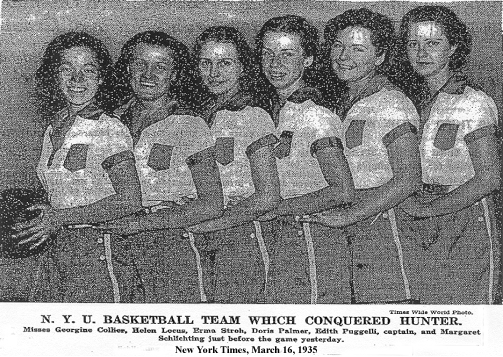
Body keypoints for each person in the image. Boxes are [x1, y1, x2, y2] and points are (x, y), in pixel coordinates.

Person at [12, 32, 143, 303]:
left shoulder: (109, 128)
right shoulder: (52, 129)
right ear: (54, 75)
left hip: (101, 249)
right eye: (67, 70)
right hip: (59, 247)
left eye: (88, 70)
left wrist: (58, 218)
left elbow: (130, 200)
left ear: (102, 78)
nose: (77, 80)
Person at [304, 8, 422, 304]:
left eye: (358, 49)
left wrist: (349, 215)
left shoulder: (391, 103)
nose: (344, 56)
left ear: (379, 56)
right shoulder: (341, 103)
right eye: (338, 46)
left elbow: (409, 180)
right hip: (347, 228)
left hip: (385, 226)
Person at [101, 31, 223, 303]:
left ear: (175, 75)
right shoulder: (107, 122)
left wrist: (139, 224)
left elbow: (212, 204)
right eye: (140, 64)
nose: (148, 74)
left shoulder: (190, 124)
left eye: (160, 67)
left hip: (170, 246)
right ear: (128, 68)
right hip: (114, 246)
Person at [397, 5, 500, 304]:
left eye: (433, 43)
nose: (421, 53)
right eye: (413, 44)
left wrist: (428, 209)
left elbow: (490, 178)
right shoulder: (409, 103)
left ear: (453, 46)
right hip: (419, 217)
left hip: (466, 220)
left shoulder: (473, 102)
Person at [255, 15, 355, 304]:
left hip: (312, 236)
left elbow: (342, 191)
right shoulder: (271, 114)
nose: (275, 64)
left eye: (287, 54)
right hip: (282, 235)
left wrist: (274, 209)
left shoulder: (316, 116)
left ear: (308, 59)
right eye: (268, 54)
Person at [188, 26, 280, 303]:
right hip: (203, 233)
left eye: (225, 63)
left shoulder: (253, 115)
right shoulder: (197, 117)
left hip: (244, 234)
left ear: (243, 68)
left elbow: (267, 196)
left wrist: (214, 222)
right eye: (206, 63)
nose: (214, 73)